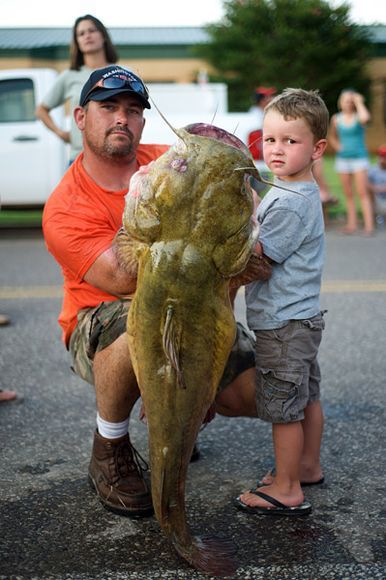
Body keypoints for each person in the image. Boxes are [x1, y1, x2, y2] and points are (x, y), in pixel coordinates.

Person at [42, 65, 260, 519]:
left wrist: (202, 370)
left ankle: (177, 423)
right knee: (137, 330)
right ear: (80, 117)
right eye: (108, 108)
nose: (122, 118)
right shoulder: (65, 206)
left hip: (196, 305)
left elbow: (233, 247)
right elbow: (126, 279)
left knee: (258, 393)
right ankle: (110, 447)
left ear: (143, 121)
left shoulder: (171, 161)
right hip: (101, 320)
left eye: (133, 110)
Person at [232, 88, 329, 516]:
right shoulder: (290, 189)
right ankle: (306, 466)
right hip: (300, 320)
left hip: (283, 324)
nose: (276, 149)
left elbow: (262, 259)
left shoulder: (291, 202)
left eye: (291, 141)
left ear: (317, 148)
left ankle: (288, 487)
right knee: (306, 397)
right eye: (270, 139)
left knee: (283, 408)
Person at [36, 14, 118, 163]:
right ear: (77, 42)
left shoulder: (121, 73)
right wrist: (61, 134)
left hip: (116, 159)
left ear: (103, 35)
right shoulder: (69, 76)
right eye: (81, 33)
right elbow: (41, 110)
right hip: (80, 159)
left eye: (92, 30)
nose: (87, 36)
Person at [329, 89, 374, 235]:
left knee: (362, 192)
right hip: (343, 160)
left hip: (359, 159)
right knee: (348, 193)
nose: (348, 103)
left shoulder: (358, 117)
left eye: (350, 101)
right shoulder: (336, 118)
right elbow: (332, 136)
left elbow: (365, 118)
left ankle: (369, 226)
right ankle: (352, 224)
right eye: (345, 100)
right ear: (340, 102)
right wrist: (337, 146)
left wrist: (359, 101)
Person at [248, 86, 277, 179]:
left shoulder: (264, 114)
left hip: (262, 160)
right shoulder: (255, 117)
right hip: (256, 161)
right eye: (269, 96)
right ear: (262, 100)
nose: (273, 98)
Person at [368, 144, 386, 227]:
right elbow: (366, 184)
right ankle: (374, 218)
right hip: (377, 199)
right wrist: (375, 188)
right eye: (382, 156)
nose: (383, 159)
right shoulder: (373, 169)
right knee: (368, 193)